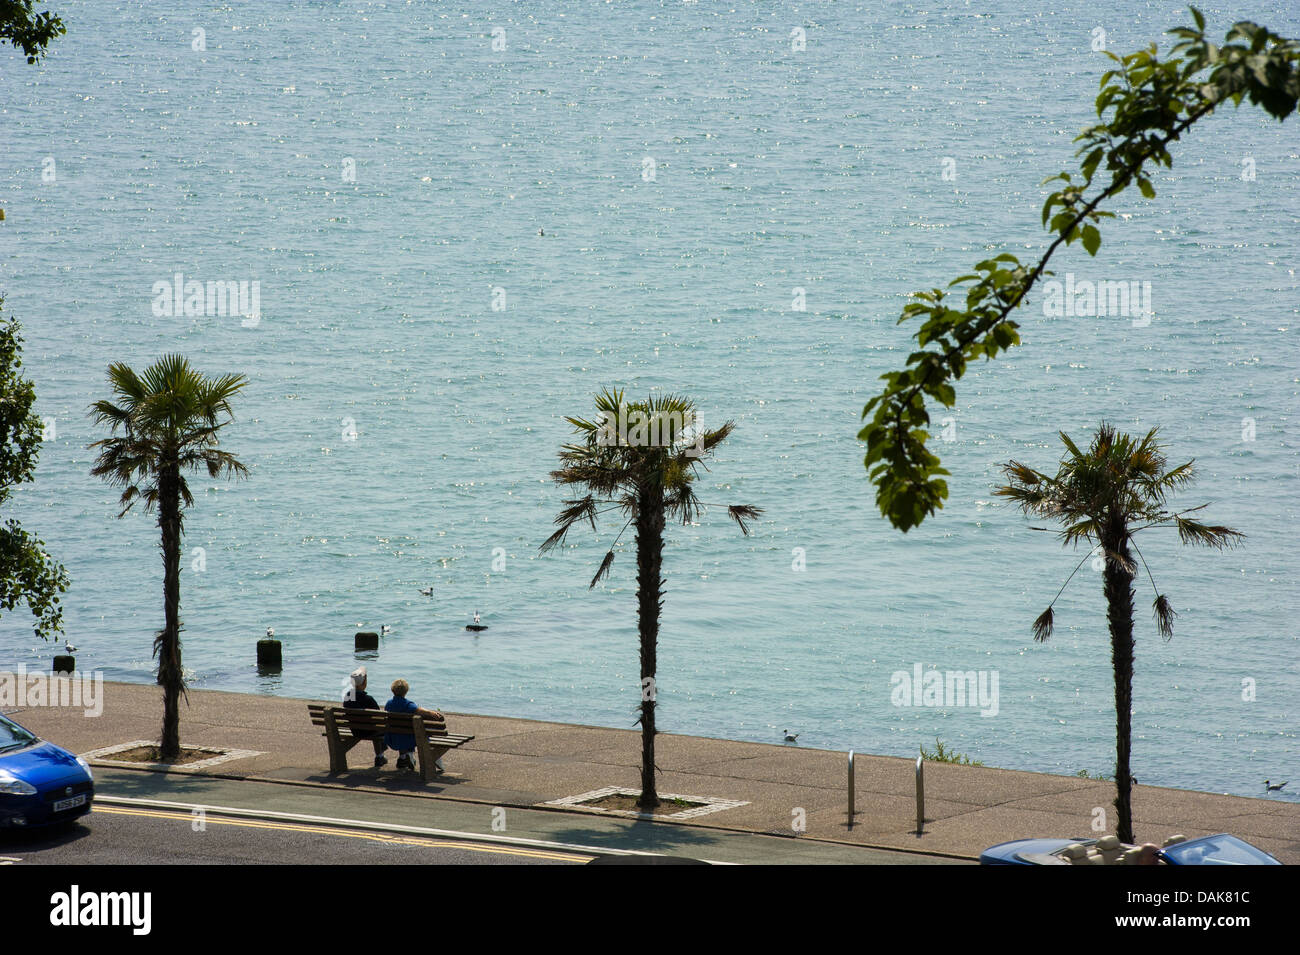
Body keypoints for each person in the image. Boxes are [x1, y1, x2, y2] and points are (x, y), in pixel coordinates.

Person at [384, 679, 446, 773]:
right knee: (421, 734)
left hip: (393, 738)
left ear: (392, 690)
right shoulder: (409, 705)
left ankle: (406, 755)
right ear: (406, 691)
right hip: (409, 739)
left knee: (404, 731)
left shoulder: (388, 704)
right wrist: (431, 712)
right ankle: (434, 757)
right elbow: (419, 710)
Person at [343, 666, 387, 767]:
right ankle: (380, 756)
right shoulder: (368, 699)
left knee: (375, 727)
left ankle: (380, 756)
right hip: (369, 730)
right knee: (380, 728)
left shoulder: (347, 697)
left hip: (355, 729)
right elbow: (379, 716)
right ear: (364, 683)